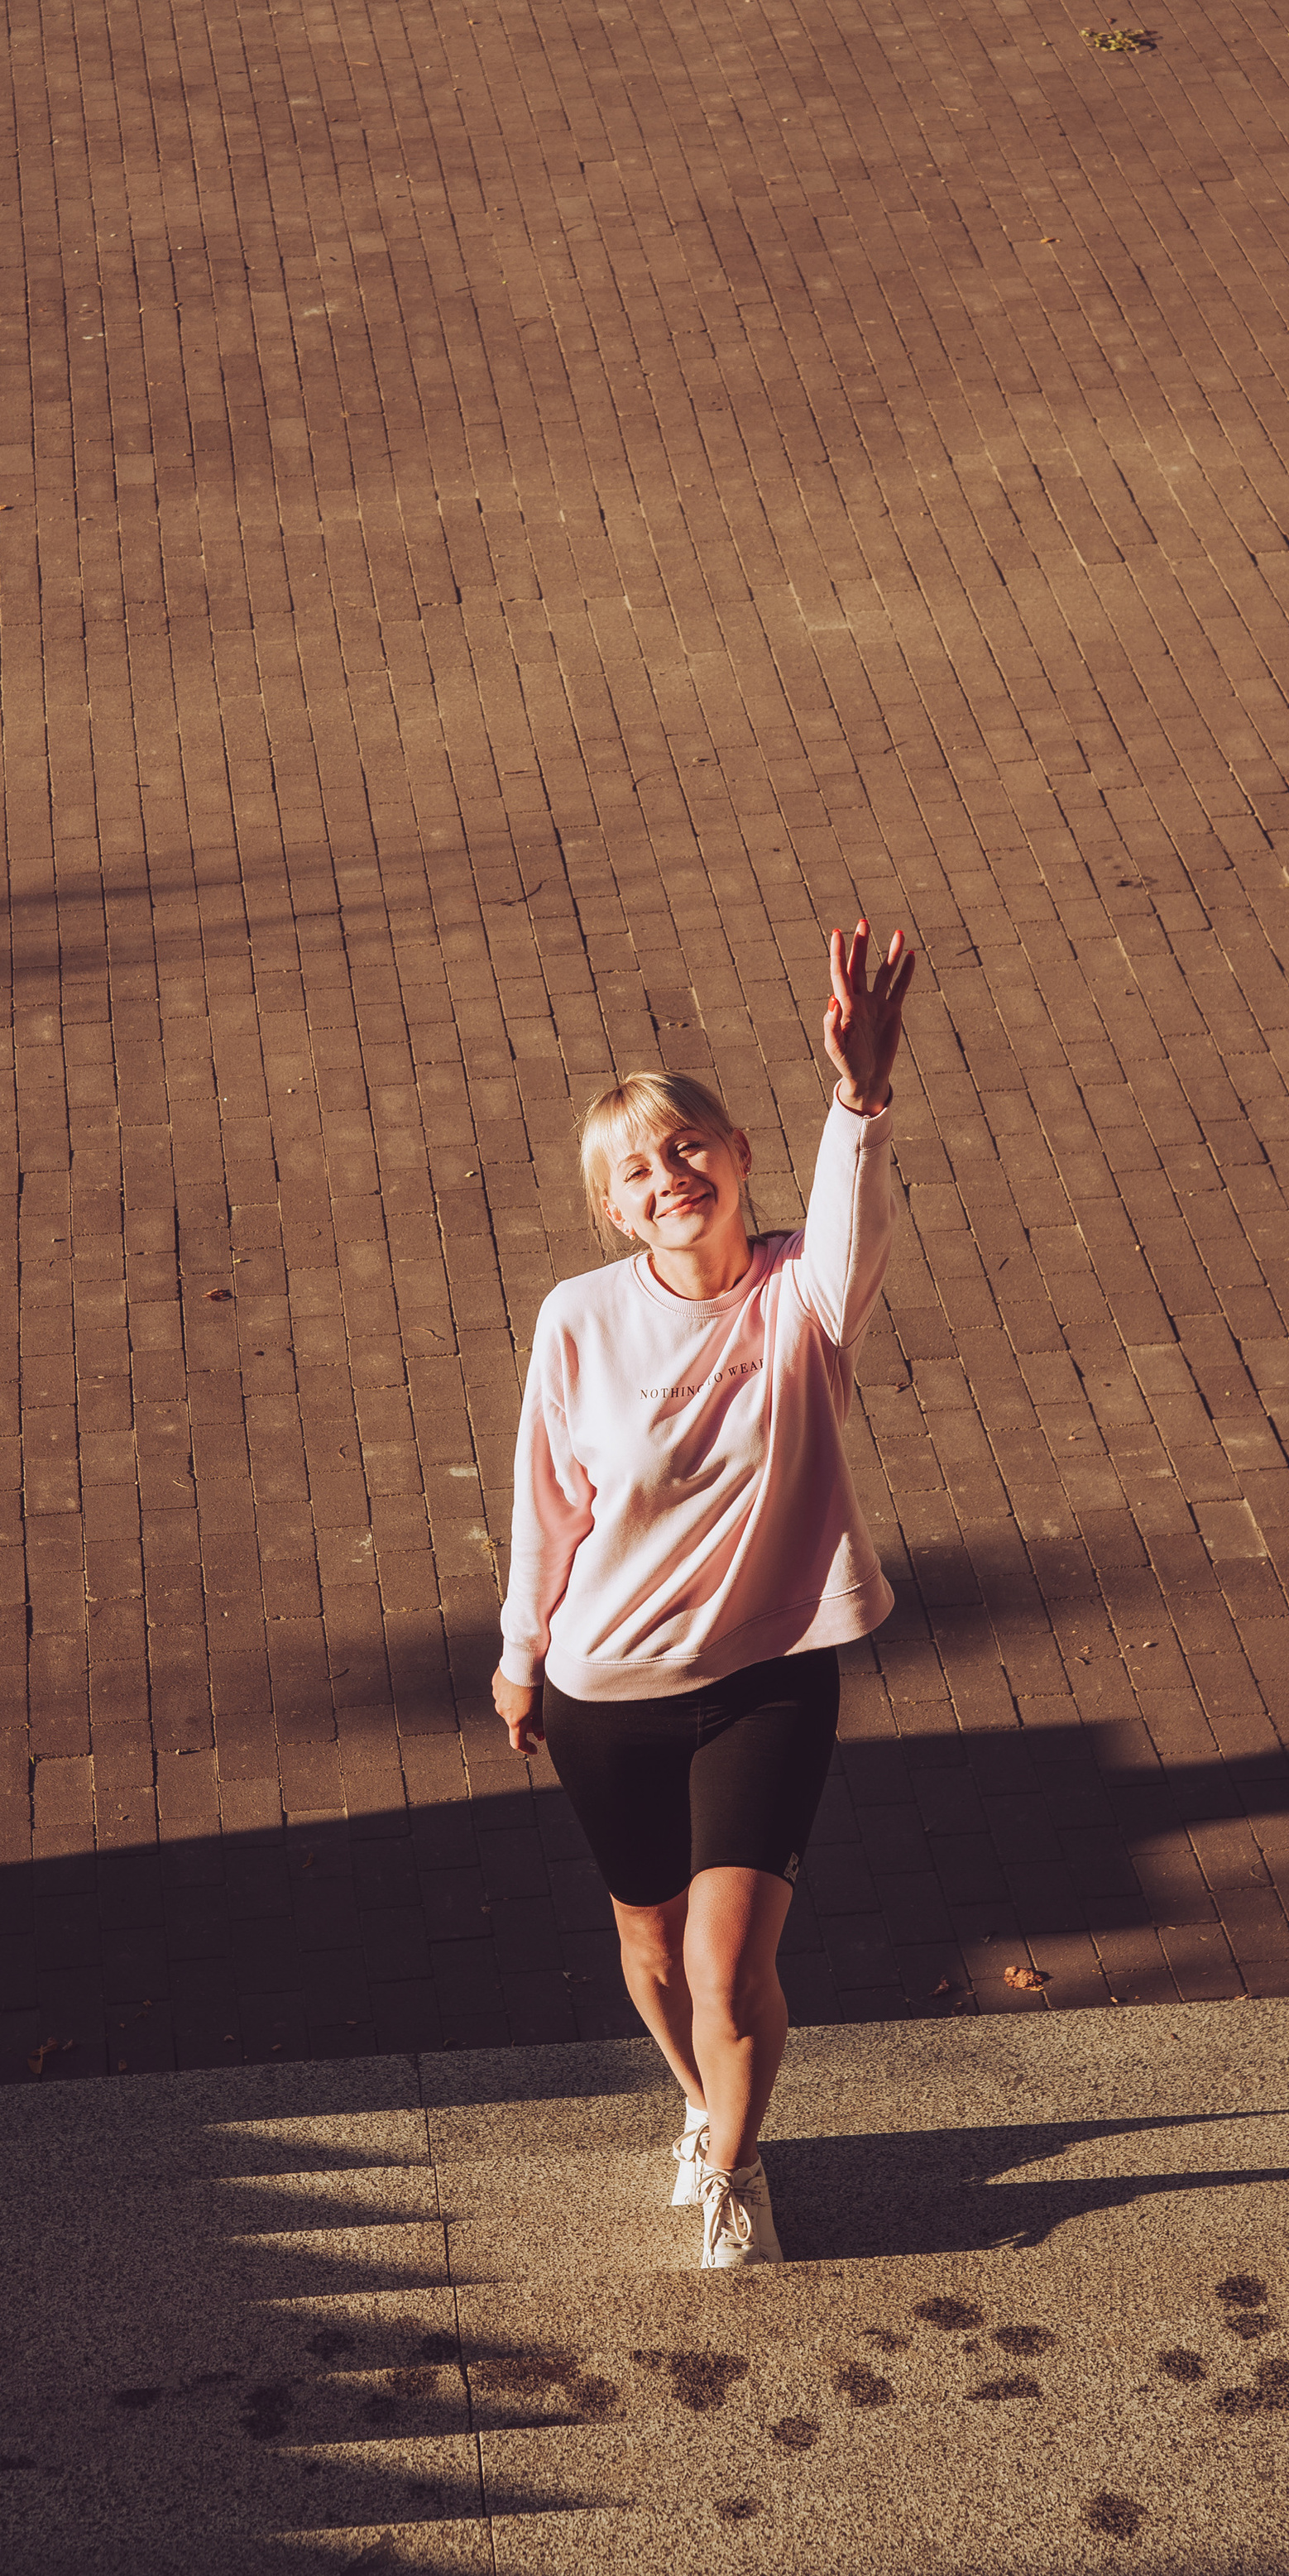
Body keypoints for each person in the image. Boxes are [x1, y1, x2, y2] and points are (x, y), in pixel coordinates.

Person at [492, 920, 914, 2270]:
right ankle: (700, 2108)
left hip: (766, 1686)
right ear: (613, 1209)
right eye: (636, 1168)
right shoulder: (579, 1318)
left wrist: (858, 1095)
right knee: (656, 1956)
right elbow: (549, 1496)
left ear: (738, 1158)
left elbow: (854, 1219)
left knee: (732, 1971)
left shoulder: (805, 1298)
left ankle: (735, 2168)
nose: (666, 1174)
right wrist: (519, 1654)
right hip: (604, 1686)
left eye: (687, 1147)